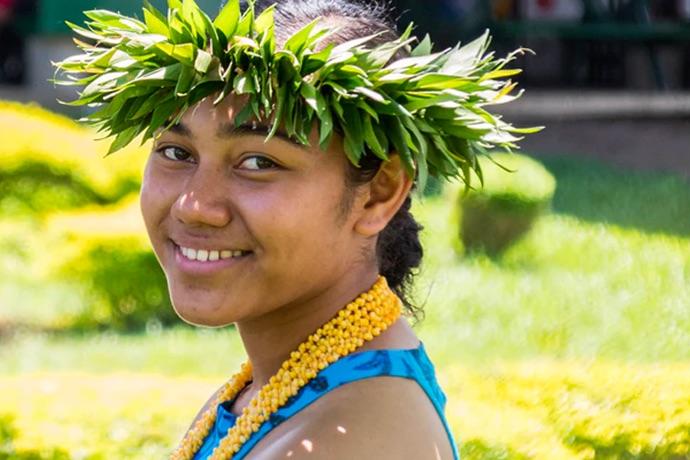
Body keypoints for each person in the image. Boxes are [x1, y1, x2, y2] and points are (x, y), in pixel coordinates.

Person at [55, 0, 529, 457]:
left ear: (379, 193)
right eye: (177, 153)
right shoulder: (276, 390)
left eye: (258, 162)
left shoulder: (342, 440)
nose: (195, 206)